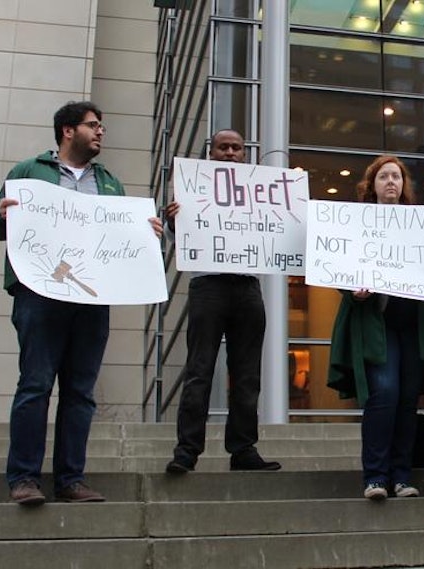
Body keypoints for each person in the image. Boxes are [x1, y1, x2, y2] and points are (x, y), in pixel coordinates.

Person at [0, 101, 163, 505]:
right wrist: (2, 214)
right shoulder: (29, 171)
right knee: (35, 385)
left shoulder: (110, 182)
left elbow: (119, 236)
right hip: (40, 295)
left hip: (91, 298)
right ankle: (24, 479)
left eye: (101, 126)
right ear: (68, 131)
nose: (100, 132)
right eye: (92, 125)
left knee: (80, 392)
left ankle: (70, 480)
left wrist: (146, 231)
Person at [327, 155, 424, 501]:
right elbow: (339, 264)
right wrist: (351, 289)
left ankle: (401, 476)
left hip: (415, 326)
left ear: (404, 185)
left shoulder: (421, 224)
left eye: (397, 177)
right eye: (384, 176)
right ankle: (375, 476)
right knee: (383, 395)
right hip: (378, 325)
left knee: (406, 400)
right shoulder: (357, 222)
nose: (391, 182)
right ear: (371, 184)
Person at [164, 129, 281, 474]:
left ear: (244, 154)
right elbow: (176, 235)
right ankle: (187, 450)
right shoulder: (193, 187)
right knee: (199, 370)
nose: (230, 152)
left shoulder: (259, 189)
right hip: (208, 285)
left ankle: (243, 449)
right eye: (223, 147)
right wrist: (174, 219)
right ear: (211, 152)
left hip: (247, 286)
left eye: (237, 148)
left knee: (247, 375)